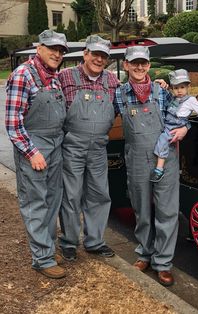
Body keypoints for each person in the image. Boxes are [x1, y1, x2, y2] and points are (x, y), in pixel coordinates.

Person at [113, 46, 188, 286]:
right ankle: (145, 253)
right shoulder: (119, 94)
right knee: (142, 211)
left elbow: (182, 113)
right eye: (134, 62)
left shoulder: (162, 92)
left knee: (167, 212)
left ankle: (163, 263)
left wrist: (186, 128)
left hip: (165, 160)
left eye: (143, 63)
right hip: (136, 158)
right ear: (126, 64)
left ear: (148, 65)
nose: (139, 67)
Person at [5, 30, 68, 279]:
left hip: (56, 147)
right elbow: (13, 123)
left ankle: (48, 248)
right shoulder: (23, 75)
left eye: (61, 51)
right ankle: (42, 258)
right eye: (52, 48)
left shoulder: (53, 77)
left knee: (52, 200)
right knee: (35, 203)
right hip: (34, 148)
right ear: (39, 47)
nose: (57, 54)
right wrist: (32, 153)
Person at [58, 35, 120, 261]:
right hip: (72, 146)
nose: (99, 59)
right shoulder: (65, 76)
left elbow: (130, 98)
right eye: (95, 54)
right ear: (85, 53)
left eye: (103, 56)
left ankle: (94, 241)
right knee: (71, 195)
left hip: (98, 149)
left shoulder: (112, 82)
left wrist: (156, 83)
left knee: (99, 195)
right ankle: (69, 242)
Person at [150, 69, 198, 183]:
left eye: (182, 87)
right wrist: (159, 84)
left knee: (163, 140)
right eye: (176, 88)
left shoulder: (191, 100)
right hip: (168, 122)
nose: (179, 91)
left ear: (188, 87)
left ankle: (159, 169)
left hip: (177, 124)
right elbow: (164, 94)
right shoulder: (173, 98)